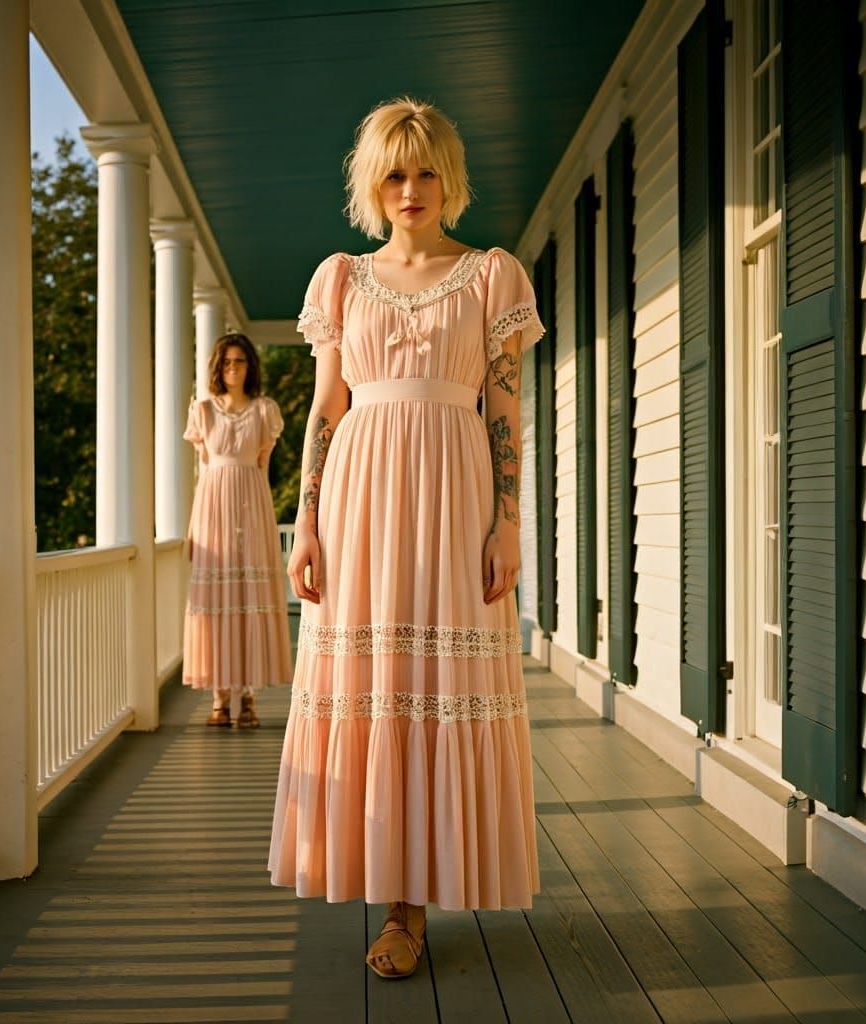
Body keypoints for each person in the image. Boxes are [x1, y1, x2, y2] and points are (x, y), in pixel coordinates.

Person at [268, 97, 543, 979]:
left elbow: (504, 412)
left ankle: (426, 888)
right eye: (395, 173)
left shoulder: (493, 276)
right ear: (373, 183)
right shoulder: (341, 279)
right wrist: (307, 521)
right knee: (378, 684)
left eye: (426, 171)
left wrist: (508, 523)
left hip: (458, 496)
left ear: (449, 178)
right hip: (360, 498)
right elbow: (325, 409)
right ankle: (396, 902)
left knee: (439, 682)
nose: (411, 189)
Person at [183, 332, 292, 728]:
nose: (232, 368)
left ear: (250, 366)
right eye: (227, 362)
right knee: (216, 602)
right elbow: (204, 470)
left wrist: (260, 523)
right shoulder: (202, 411)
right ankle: (219, 697)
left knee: (248, 600)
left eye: (240, 361)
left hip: (251, 508)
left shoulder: (265, 411)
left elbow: (262, 466)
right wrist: (193, 528)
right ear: (218, 366)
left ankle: (247, 696)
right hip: (212, 510)